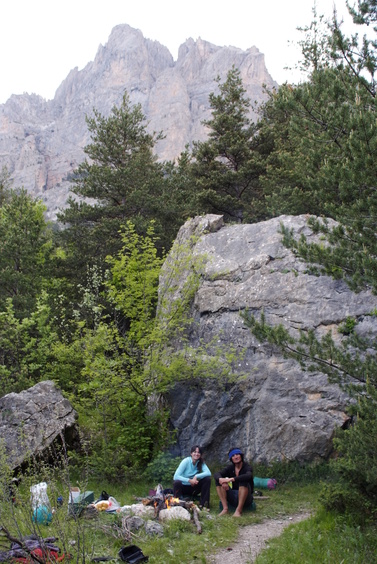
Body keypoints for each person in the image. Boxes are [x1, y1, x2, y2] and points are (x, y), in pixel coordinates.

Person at [214, 447, 254, 517]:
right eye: (233, 455)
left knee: (243, 481)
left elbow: (248, 476)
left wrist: (231, 479)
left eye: (237, 454)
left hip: (246, 498)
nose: (235, 457)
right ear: (231, 459)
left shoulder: (247, 467)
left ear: (241, 455)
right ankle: (225, 509)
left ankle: (239, 510)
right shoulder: (230, 468)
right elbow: (217, 474)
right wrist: (222, 480)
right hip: (233, 496)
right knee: (219, 482)